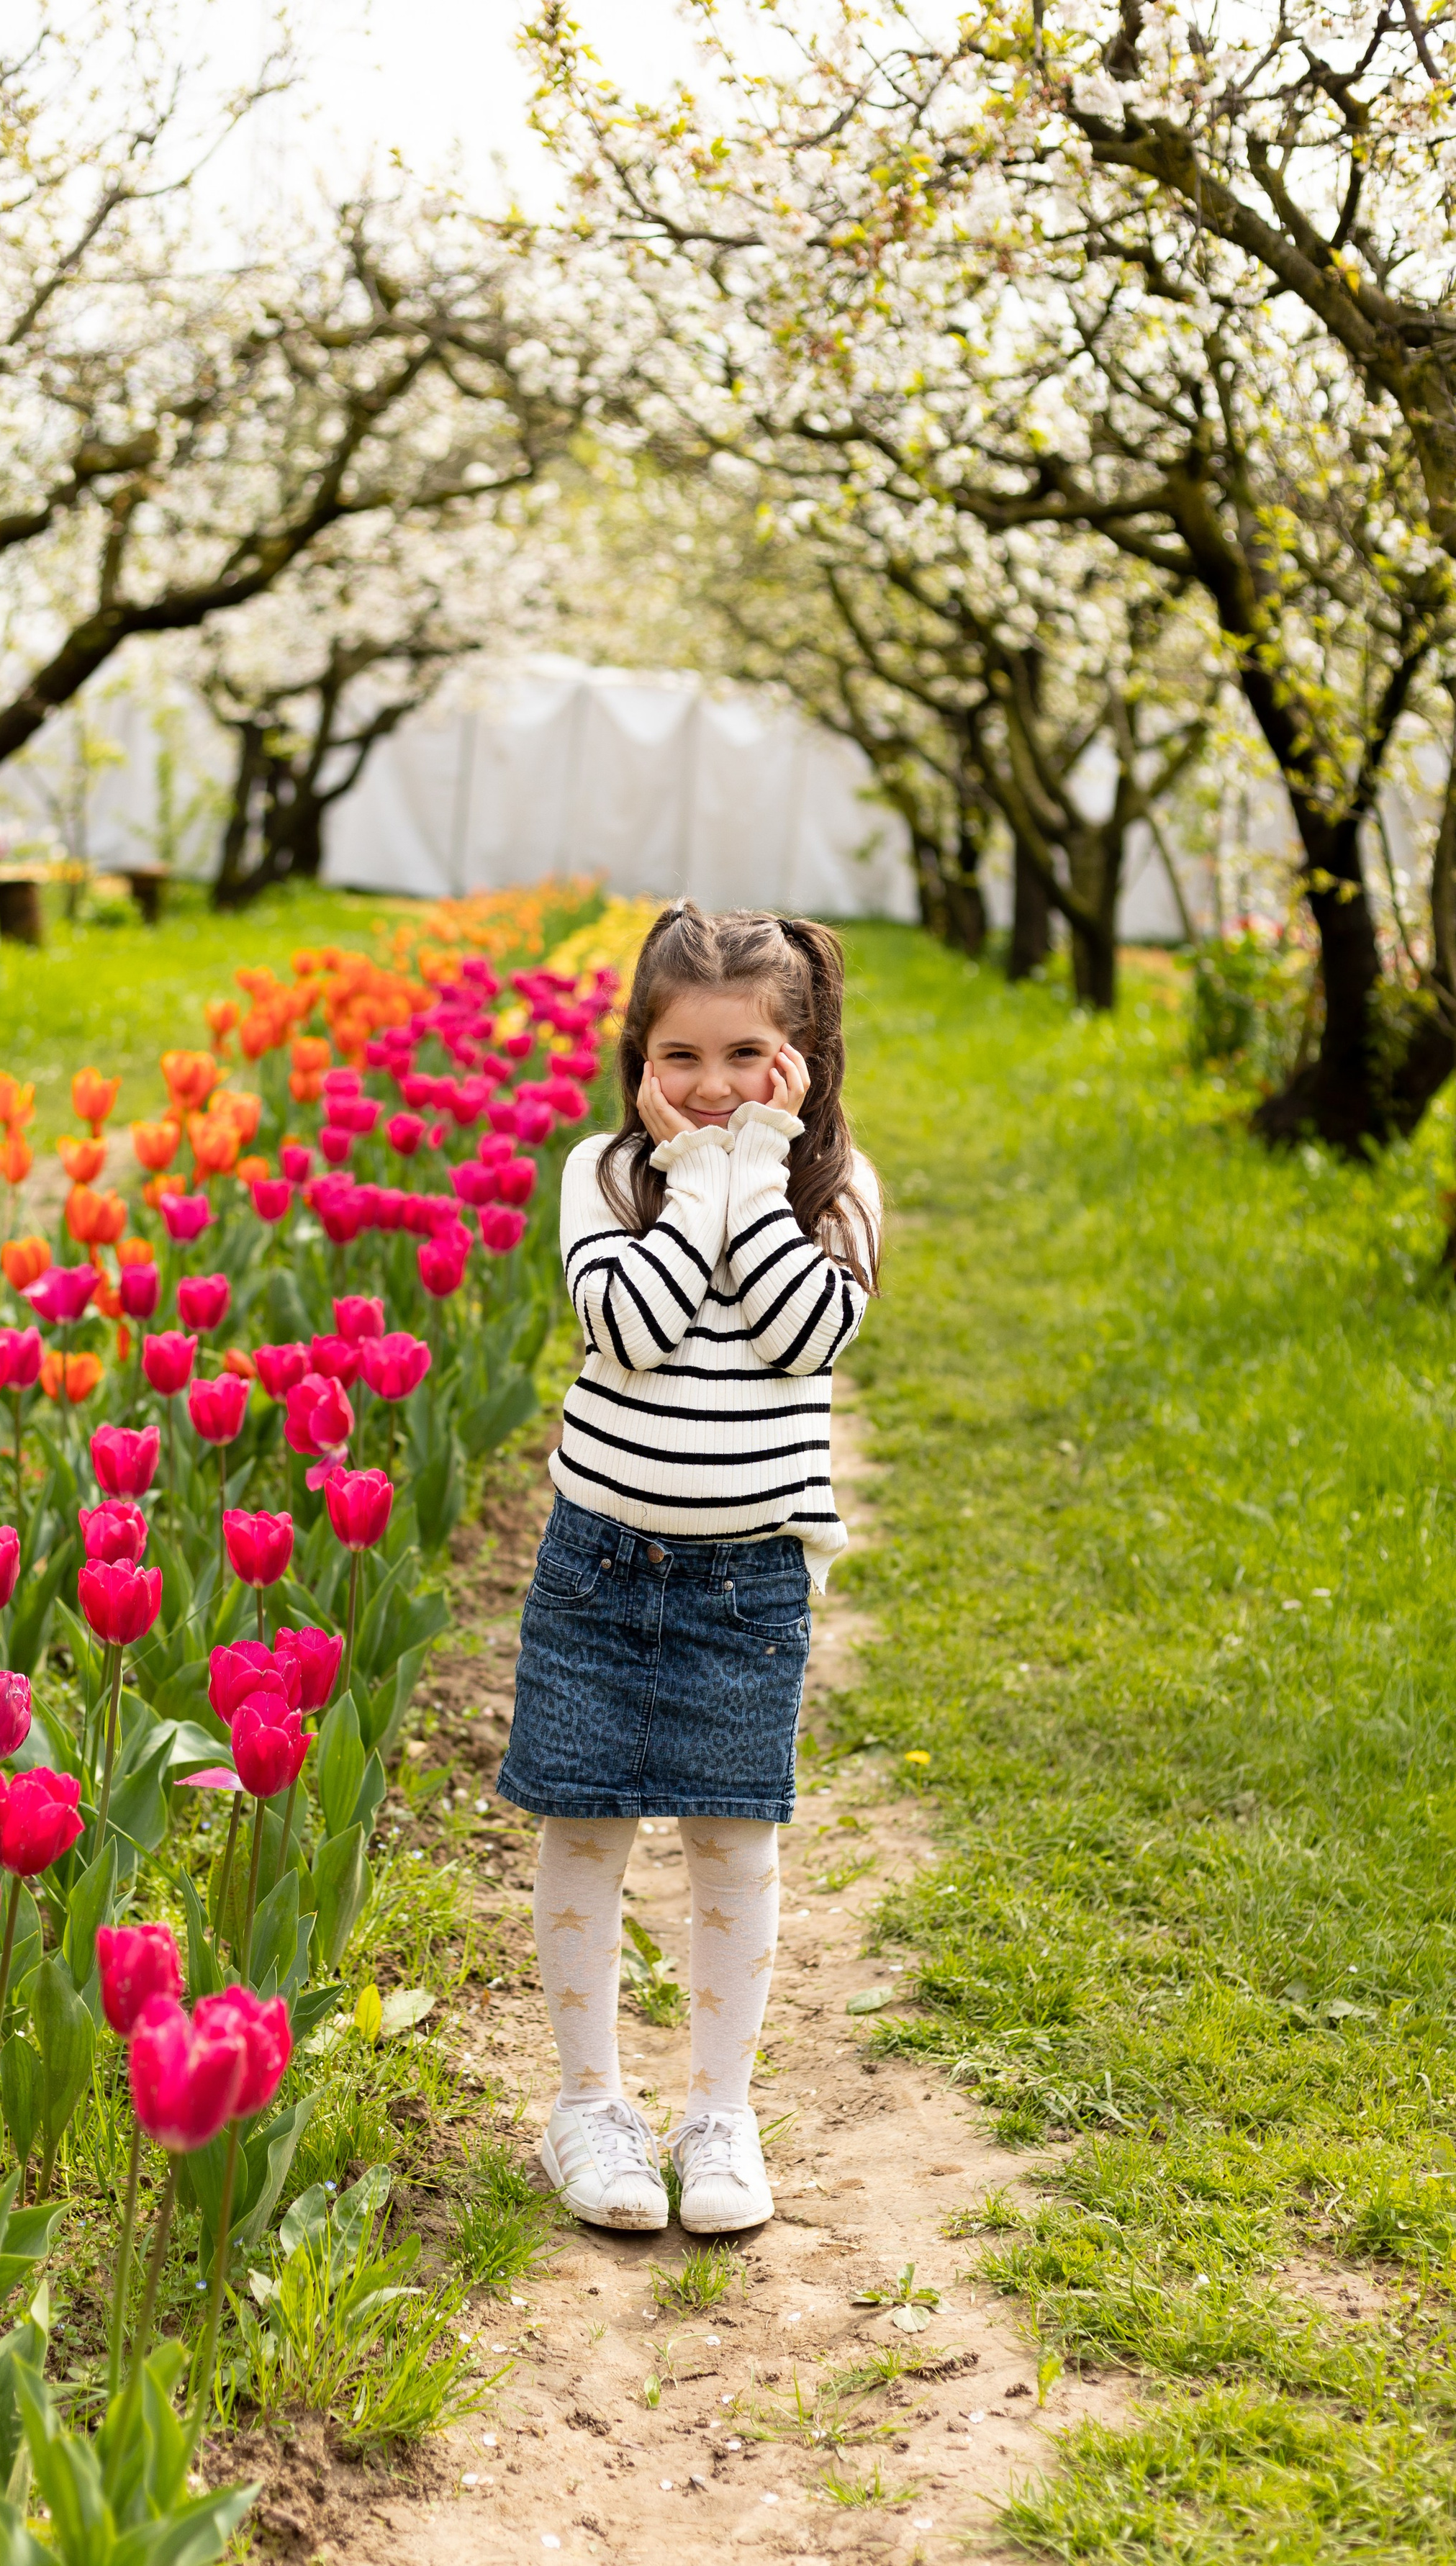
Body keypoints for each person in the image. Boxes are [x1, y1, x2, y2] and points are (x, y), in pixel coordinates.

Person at [497, 901, 882, 2236]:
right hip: (598, 1567)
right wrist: (694, 1179)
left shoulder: (838, 1189)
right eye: (682, 1056)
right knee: (584, 1825)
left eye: (745, 1057)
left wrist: (757, 1173)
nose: (713, 1085)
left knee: (732, 1839)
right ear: (639, 1058)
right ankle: (588, 2102)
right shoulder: (606, 1177)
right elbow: (633, 1325)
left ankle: (720, 2112)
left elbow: (804, 1333)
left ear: (800, 1060)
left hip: (746, 1586)